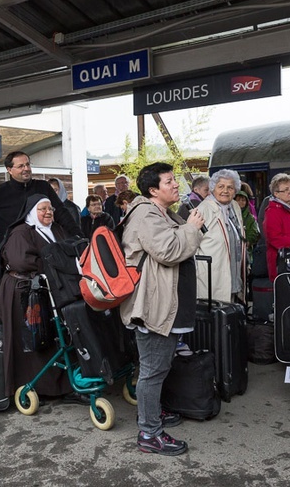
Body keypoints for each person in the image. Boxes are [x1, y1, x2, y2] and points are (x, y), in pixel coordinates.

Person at [120, 162, 205, 456]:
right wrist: (191, 228)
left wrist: (186, 227)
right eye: (169, 181)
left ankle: (152, 414)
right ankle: (149, 433)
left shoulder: (161, 212)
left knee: (158, 367)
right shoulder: (145, 214)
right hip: (152, 306)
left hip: (164, 303)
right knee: (153, 371)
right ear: (153, 190)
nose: (176, 185)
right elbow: (169, 252)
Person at [0, 194, 75, 400]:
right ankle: (32, 385)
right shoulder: (21, 232)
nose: (48, 212)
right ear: (32, 212)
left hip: (45, 288)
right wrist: (55, 265)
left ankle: (55, 385)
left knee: (51, 334)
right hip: (21, 291)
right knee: (30, 338)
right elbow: (21, 262)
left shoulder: (56, 229)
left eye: (50, 209)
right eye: (43, 209)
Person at [0, 151, 81, 249]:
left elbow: (61, 212)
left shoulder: (43, 186)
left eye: (28, 164)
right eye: (20, 166)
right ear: (9, 169)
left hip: (44, 248)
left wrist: (79, 237)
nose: (26, 168)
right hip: (11, 251)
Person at [195, 170, 245, 302]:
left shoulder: (234, 206)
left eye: (230, 187)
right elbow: (191, 243)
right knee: (216, 315)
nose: (225, 191)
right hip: (212, 274)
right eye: (221, 186)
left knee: (230, 311)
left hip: (233, 270)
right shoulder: (203, 209)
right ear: (212, 188)